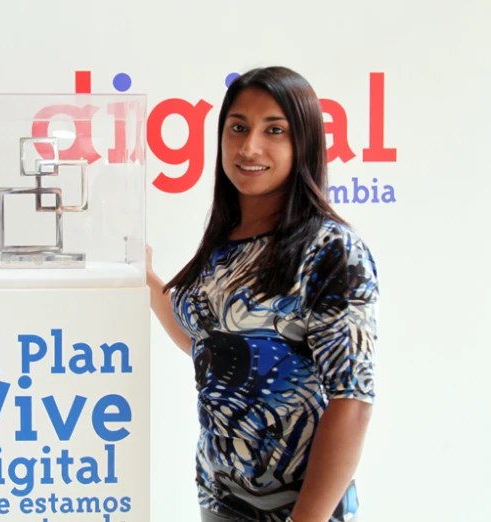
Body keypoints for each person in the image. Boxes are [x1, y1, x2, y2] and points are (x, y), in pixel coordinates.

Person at [147, 66, 379, 522]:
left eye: (274, 130)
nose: (249, 147)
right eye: (238, 128)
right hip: (219, 496)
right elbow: (207, 345)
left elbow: (351, 400)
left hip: (300, 506)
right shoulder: (224, 241)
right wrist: (149, 283)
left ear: (304, 143)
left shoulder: (330, 249)